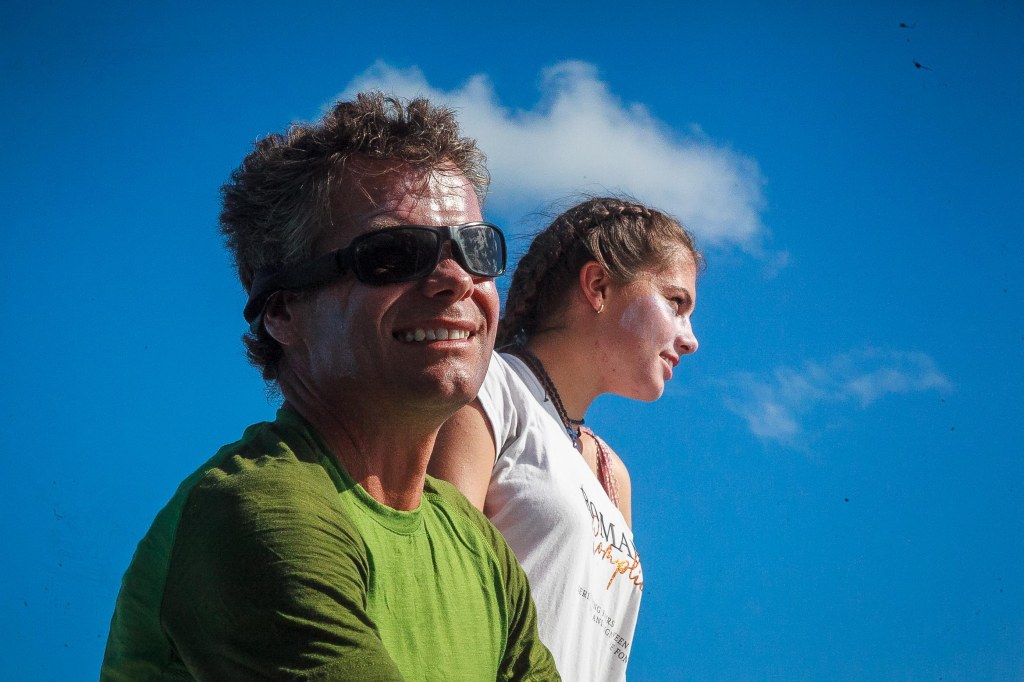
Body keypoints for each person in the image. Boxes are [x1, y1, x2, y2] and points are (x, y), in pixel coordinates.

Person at [101, 93, 559, 681]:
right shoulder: (259, 511)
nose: (455, 279)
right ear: (282, 310)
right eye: (394, 253)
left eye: (476, 248)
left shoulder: (478, 546)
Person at [430, 197, 702, 681]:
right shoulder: (489, 388)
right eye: (676, 303)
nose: (690, 338)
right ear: (598, 286)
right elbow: (438, 580)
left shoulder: (613, 475)